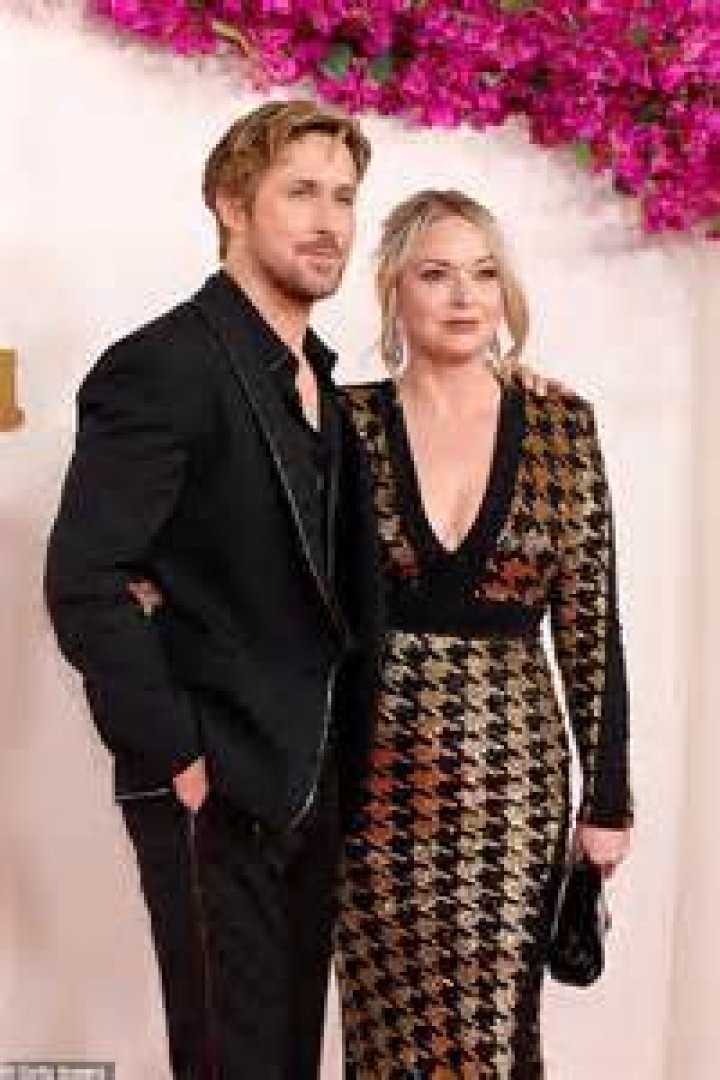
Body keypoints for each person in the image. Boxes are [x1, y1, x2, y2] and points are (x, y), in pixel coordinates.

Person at [43, 99, 381, 1080]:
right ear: (233, 205)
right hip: (215, 782)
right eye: (302, 192)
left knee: (287, 1061)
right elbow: (87, 580)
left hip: (311, 783)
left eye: (345, 198)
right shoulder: (163, 364)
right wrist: (179, 757)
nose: (329, 222)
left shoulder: (321, 384)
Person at [336, 189, 633, 1079]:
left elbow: (591, 623)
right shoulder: (345, 425)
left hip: (511, 785)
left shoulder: (561, 428)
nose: (465, 296)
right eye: (437, 274)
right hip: (373, 776)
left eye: (484, 273)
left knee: (491, 1032)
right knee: (387, 1034)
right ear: (394, 289)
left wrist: (608, 801)